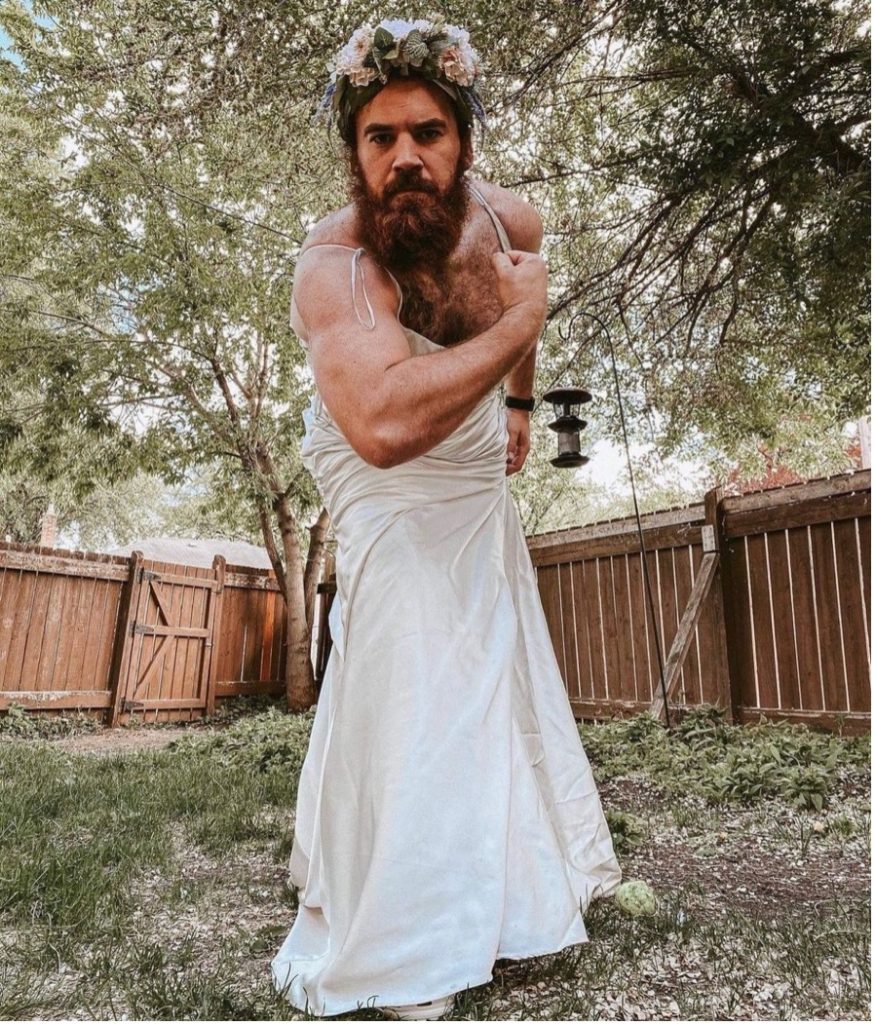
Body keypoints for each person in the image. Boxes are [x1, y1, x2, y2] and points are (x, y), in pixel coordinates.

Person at [271, 16, 621, 1021]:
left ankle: (504, 886)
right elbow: (381, 426)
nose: (404, 158)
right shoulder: (331, 267)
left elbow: (519, 294)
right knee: (410, 657)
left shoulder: (509, 222)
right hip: (383, 476)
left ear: (463, 142)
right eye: (378, 139)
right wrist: (520, 324)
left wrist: (517, 400)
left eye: (425, 132)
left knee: (485, 658)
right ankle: (406, 915)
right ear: (354, 156)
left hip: (470, 477)